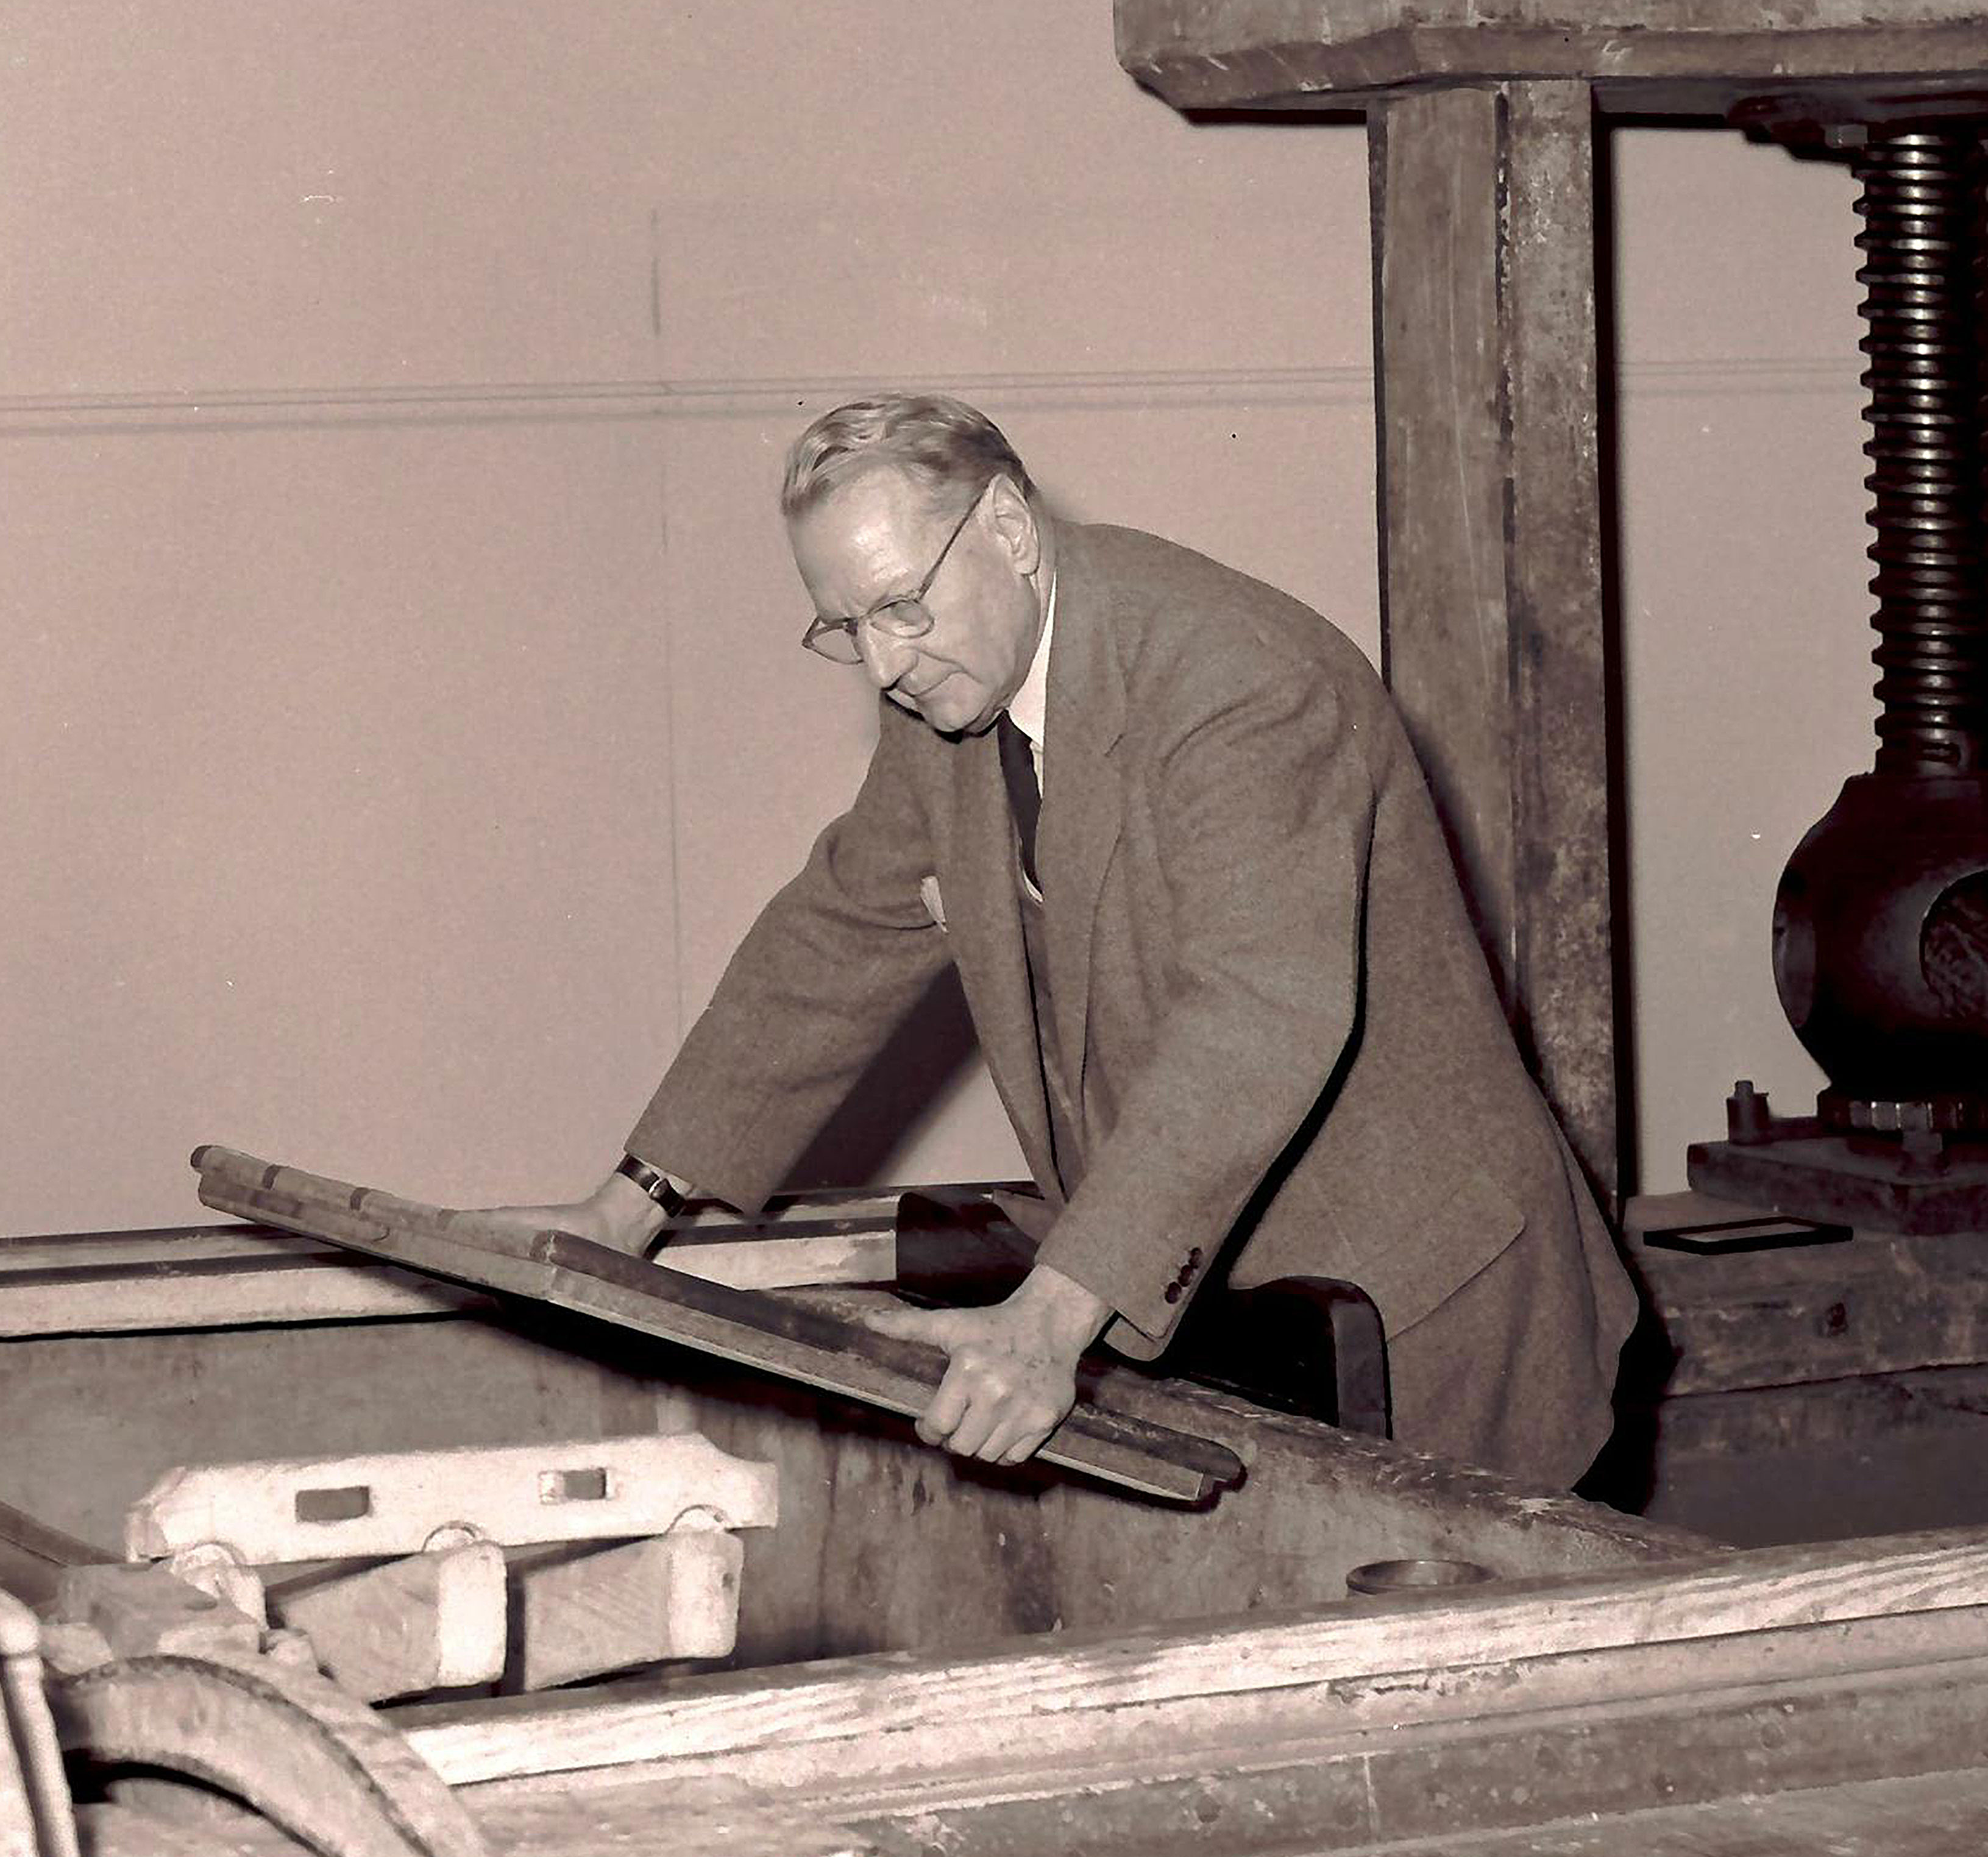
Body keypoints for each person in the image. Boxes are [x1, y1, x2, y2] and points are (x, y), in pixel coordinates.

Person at [515, 394, 1636, 1489]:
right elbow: (838, 932)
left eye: (902, 607)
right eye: (844, 628)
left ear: (1008, 529)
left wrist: (1050, 1318)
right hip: (1227, 1287)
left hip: (1429, 1297)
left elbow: (1259, 1021)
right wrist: (627, 1210)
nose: (884, 668)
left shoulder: (1236, 682)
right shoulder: (956, 691)